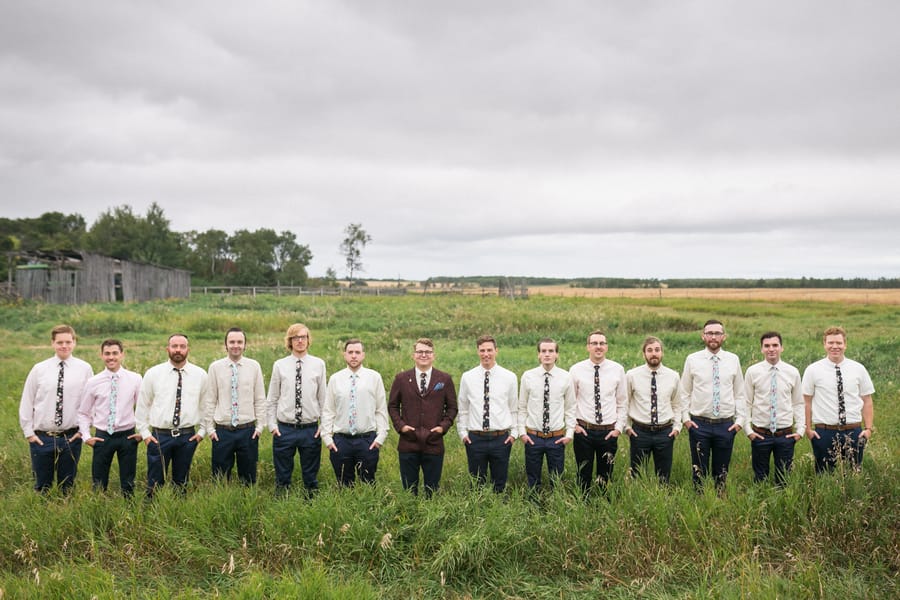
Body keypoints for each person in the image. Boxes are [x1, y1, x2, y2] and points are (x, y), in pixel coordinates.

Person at [19, 324, 94, 494]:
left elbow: (91, 403)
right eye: (60, 342)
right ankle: (42, 516)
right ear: (52, 343)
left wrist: (83, 431)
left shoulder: (85, 369)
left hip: (71, 437)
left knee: (67, 486)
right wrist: (29, 433)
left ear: (74, 342)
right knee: (42, 486)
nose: (64, 346)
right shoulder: (39, 369)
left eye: (68, 341)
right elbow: (27, 401)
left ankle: (64, 512)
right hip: (42, 438)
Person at [136, 333, 208, 496]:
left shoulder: (200, 375)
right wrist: (146, 434)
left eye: (182, 346)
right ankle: (152, 514)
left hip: (187, 436)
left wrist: (202, 432)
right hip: (160, 436)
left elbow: (206, 406)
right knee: (154, 482)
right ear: (167, 349)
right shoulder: (153, 373)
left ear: (188, 349)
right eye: (174, 346)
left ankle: (178, 514)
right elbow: (143, 405)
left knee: (181, 482)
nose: (178, 350)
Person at [680, 319, 747, 490]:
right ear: (703, 336)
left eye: (717, 333)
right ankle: (699, 503)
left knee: (722, 471)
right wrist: (686, 420)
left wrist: (739, 422)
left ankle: (719, 502)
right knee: (699, 471)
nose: (713, 336)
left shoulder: (733, 359)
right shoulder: (692, 359)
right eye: (709, 333)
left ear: (724, 337)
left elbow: (739, 393)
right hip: (699, 424)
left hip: (725, 425)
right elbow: (684, 392)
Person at [388, 338, 458, 497]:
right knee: (408, 490)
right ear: (413, 355)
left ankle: (431, 518)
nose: (423, 355)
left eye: (427, 352)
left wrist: (443, 427)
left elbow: (452, 407)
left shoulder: (444, 379)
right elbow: (392, 406)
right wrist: (401, 426)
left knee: (432, 491)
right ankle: (411, 517)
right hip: (408, 442)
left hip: (434, 441)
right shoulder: (401, 379)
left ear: (433, 355)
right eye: (420, 352)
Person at [802, 326, 875, 473]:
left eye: (839, 343)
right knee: (824, 475)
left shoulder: (858, 369)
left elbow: (867, 400)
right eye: (830, 343)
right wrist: (808, 429)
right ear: (824, 344)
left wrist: (868, 429)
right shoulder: (813, 370)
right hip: (824, 432)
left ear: (845, 344)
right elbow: (806, 401)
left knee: (854, 473)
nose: (835, 346)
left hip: (854, 431)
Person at [267, 323, 327, 495]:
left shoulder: (318, 364)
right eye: (295, 337)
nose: (300, 341)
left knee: (310, 477)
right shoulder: (280, 365)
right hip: (285, 429)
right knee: (282, 477)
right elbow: (272, 398)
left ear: (308, 340)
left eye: (303, 337)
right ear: (290, 341)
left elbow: (323, 398)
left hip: (310, 429)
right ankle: (282, 506)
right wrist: (272, 426)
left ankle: (311, 505)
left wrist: (323, 426)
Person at [77, 339, 142, 496]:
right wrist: (86, 437)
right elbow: (83, 412)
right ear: (101, 355)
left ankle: (129, 510)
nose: (111, 357)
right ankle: (98, 510)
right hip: (103, 437)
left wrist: (142, 432)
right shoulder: (93, 382)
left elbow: (143, 409)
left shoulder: (135, 379)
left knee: (128, 482)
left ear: (122, 355)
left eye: (115, 353)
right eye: (107, 353)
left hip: (128, 436)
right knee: (98, 482)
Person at [321, 339, 388, 486]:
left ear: (363, 355)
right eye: (350, 352)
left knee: (368, 484)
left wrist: (380, 437)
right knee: (344, 484)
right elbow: (328, 411)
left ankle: (368, 509)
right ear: (344, 355)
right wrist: (327, 438)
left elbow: (380, 409)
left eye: (357, 352)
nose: (353, 356)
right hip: (341, 441)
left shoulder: (374, 377)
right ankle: (345, 509)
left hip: (367, 440)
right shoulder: (335, 379)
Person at [204, 327, 266, 485]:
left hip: (247, 430)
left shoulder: (254, 366)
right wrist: (210, 429)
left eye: (240, 342)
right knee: (220, 478)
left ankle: (247, 506)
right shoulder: (215, 367)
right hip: (222, 431)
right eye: (232, 342)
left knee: (248, 478)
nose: (235, 345)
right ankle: (221, 503)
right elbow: (210, 400)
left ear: (245, 345)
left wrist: (259, 428)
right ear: (226, 344)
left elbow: (259, 399)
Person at [456, 335, 518, 493]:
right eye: (482, 350)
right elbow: (463, 407)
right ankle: (477, 514)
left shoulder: (509, 377)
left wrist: (514, 433)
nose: (486, 354)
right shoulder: (467, 377)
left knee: (500, 482)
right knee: (476, 483)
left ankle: (498, 512)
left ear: (496, 351)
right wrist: (463, 433)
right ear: (477, 352)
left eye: (489, 350)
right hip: (475, 438)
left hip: (501, 438)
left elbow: (513, 408)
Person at [569, 330, 627, 495]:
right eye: (594, 343)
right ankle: (583, 507)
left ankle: (604, 507)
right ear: (588, 347)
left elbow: (623, 401)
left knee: (606, 475)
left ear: (606, 347)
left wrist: (618, 428)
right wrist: (574, 426)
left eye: (602, 343)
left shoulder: (617, 369)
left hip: (608, 432)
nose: (598, 346)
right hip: (584, 431)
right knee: (583, 475)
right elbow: (570, 402)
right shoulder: (576, 370)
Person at [744, 332, 803, 485]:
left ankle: (782, 507)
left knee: (784, 479)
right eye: (767, 346)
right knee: (760, 479)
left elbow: (798, 403)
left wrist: (800, 430)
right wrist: (748, 431)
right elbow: (746, 402)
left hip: (785, 434)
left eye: (775, 345)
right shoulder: (753, 372)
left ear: (781, 348)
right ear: (762, 349)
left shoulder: (792, 372)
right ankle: (761, 506)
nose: (771, 349)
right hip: (760, 434)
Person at [518, 338, 576, 492]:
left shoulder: (566, 377)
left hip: (556, 438)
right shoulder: (528, 376)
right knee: (532, 479)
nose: (547, 354)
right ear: (538, 354)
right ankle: (533, 508)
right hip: (533, 437)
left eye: (551, 351)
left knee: (556, 478)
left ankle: (557, 509)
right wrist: (522, 433)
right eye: (543, 351)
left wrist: (569, 434)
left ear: (556, 355)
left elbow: (570, 407)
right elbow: (522, 407)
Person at [624, 336, 684, 484]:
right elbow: (624, 402)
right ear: (644, 354)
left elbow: (677, 404)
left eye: (657, 350)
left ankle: (662, 500)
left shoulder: (673, 376)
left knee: (664, 475)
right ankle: (637, 499)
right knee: (636, 473)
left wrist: (677, 427)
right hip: (639, 431)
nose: (654, 354)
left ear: (662, 352)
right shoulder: (632, 375)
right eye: (649, 350)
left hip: (665, 431)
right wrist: (626, 426)